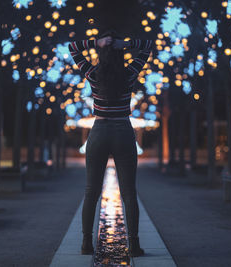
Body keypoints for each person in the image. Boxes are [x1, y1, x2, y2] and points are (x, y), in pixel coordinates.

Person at [68, 30, 153, 257]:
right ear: (120, 54)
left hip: (100, 131)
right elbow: (148, 46)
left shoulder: (94, 74)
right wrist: (125, 42)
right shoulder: (129, 74)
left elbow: (73, 48)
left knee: (91, 191)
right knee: (129, 192)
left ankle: (87, 243)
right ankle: (133, 245)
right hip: (123, 131)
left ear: (101, 54)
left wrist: (96, 42)